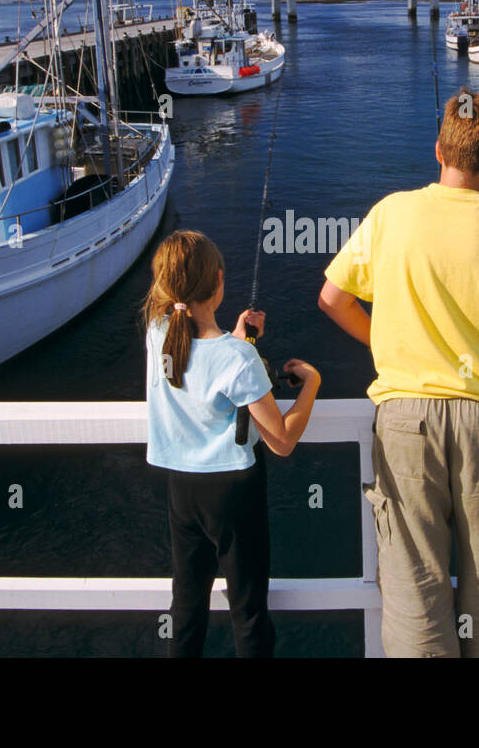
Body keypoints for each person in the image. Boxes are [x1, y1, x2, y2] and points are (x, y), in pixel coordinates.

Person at [318, 89, 479, 658]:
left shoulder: (390, 212)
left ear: (437, 150)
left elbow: (332, 298)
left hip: (404, 422)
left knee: (413, 587)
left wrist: (389, 339)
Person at [143, 229, 321, 658]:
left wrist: (238, 336)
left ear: (166, 285)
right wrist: (311, 385)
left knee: (186, 606)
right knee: (248, 611)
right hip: (233, 491)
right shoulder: (236, 359)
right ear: (220, 281)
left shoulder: (157, 332)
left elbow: (199, 358)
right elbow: (281, 440)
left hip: (181, 489)